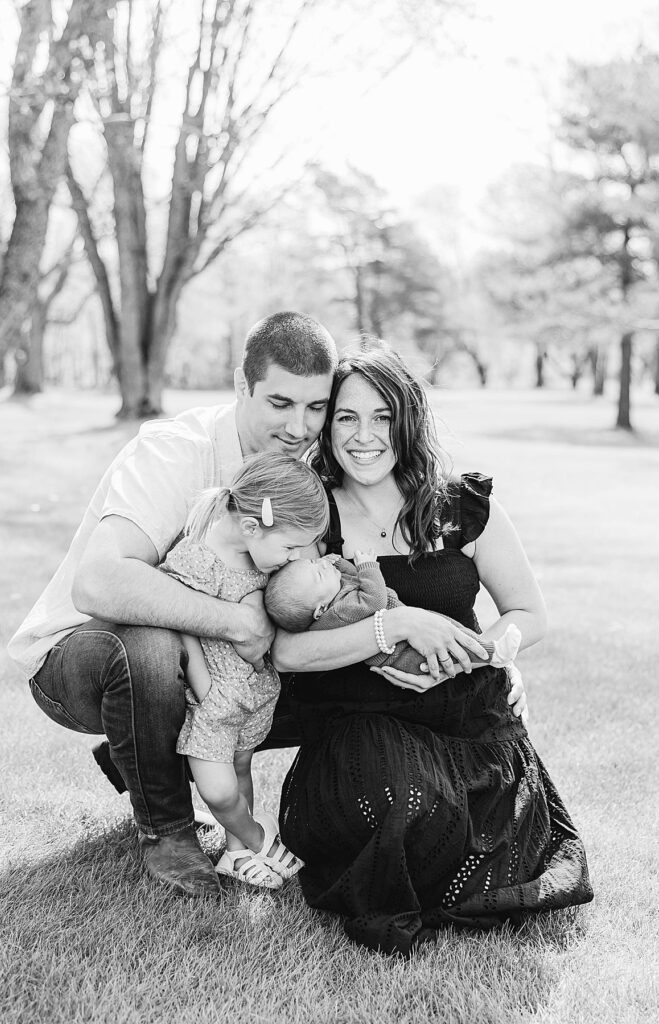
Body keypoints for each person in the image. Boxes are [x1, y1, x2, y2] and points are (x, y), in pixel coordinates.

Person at [271, 342, 593, 956]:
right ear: (327, 426)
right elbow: (285, 653)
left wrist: (469, 655)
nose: (364, 436)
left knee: (496, 840)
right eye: (346, 417)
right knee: (402, 799)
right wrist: (393, 627)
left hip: (467, 719)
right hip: (360, 726)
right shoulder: (313, 518)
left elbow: (528, 615)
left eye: (383, 417)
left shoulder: (463, 508)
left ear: (410, 422)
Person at [7, 311, 339, 897]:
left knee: (322, 659)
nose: (300, 426)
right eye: (280, 403)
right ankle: (168, 830)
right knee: (152, 641)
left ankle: (145, 744)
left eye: (316, 407)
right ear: (241, 385)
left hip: (209, 672)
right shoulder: (175, 452)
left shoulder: (299, 475)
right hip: (84, 658)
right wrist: (237, 620)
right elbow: (98, 583)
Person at [159, 451, 329, 889]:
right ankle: (259, 838)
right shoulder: (198, 559)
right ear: (252, 526)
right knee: (218, 790)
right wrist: (205, 689)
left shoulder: (259, 556)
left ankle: (235, 855)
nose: (293, 558)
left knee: (240, 771)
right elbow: (180, 621)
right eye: (290, 547)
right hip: (213, 703)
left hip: (253, 696)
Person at [264, 549, 521, 676]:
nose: (321, 564)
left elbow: (351, 579)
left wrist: (338, 564)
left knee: (450, 630)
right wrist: (368, 566)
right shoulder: (339, 613)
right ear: (320, 609)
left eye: (313, 562)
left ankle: (493, 653)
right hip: (404, 656)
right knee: (449, 648)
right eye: (319, 573)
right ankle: (493, 654)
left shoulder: (332, 596)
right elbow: (373, 599)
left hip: (411, 635)